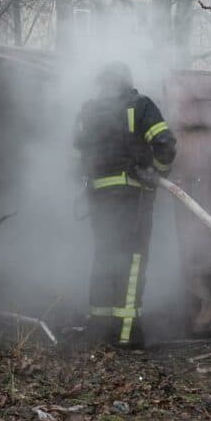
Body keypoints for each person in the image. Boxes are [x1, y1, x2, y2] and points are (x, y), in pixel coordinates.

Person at [73, 61, 176, 347]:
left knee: (105, 255)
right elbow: (165, 144)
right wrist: (156, 172)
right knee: (132, 259)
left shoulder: (87, 111)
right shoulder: (140, 105)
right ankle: (127, 334)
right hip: (132, 195)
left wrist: (89, 178)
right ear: (126, 82)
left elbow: (75, 156)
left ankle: (99, 329)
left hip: (98, 197)